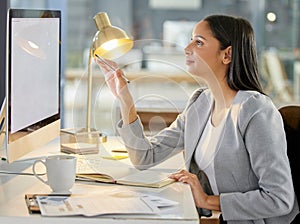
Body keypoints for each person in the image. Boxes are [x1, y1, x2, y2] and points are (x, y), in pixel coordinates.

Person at [95, 14, 299, 224]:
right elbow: (145, 156)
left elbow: (280, 199)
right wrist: (124, 97)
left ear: (227, 55)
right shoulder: (200, 103)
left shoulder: (256, 111)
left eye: (199, 42)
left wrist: (208, 200)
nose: (187, 47)